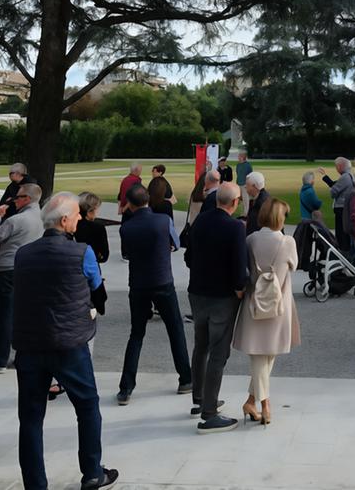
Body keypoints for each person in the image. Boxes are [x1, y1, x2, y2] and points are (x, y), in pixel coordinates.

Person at [11, 192, 117, 490]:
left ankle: (35, 483)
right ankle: (92, 471)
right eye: (77, 216)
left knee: (30, 417)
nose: (80, 219)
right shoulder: (81, 252)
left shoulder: (24, 253)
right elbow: (97, 288)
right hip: (69, 342)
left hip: (31, 344)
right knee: (87, 405)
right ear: (65, 220)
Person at [116, 184, 192, 404]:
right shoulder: (163, 221)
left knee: (136, 334)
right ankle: (185, 378)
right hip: (162, 281)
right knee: (175, 329)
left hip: (138, 284)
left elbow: (129, 253)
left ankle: (126, 387)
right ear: (148, 200)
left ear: (129, 204)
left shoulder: (126, 228)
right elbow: (175, 244)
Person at [232, 198, 300, 426]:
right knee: (266, 355)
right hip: (278, 303)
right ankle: (265, 403)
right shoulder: (288, 242)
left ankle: (252, 400)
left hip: (254, 301)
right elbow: (294, 265)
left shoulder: (251, 239)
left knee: (262, 355)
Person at [186, 182, 247, 434]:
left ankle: (200, 398)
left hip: (197, 291)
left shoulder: (200, 220)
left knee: (201, 345)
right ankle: (209, 413)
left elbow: (189, 256)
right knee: (218, 352)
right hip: (221, 296)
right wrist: (239, 289)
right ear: (234, 202)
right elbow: (238, 264)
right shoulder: (234, 227)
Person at [0, 183, 43, 374]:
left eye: (18, 197)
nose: (14, 200)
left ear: (27, 199)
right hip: (30, 270)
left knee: (4, 315)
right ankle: (22, 357)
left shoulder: (15, 220)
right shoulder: (42, 218)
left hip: (8, 270)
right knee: (23, 315)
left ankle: (0, 359)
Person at [318, 157, 355, 246]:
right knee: (343, 232)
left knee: (341, 232)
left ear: (340, 166)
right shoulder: (349, 175)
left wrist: (332, 191)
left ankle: (342, 252)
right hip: (346, 207)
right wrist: (325, 176)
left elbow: (333, 191)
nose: (336, 168)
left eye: (336, 166)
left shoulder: (345, 177)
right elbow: (335, 184)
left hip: (341, 208)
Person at [75, 193, 109, 265]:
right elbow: (104, 255)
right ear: (90, 211)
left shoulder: (72, 225)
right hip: (92, 264)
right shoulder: (98, 227)